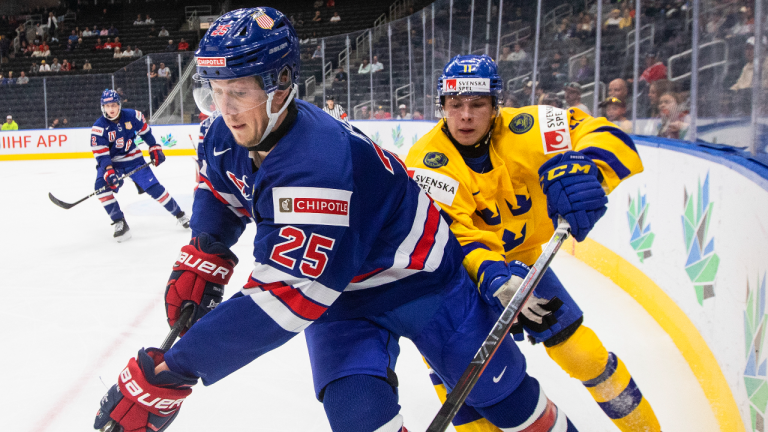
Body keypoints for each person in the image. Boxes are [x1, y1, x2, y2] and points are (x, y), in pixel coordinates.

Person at [92, 9, 579, 432]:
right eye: (215, 92)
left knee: (511, 405)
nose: (226, 111)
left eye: (238, 92)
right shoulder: (223, 132)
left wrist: (175, 369)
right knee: (358, 419)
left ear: (281, 83)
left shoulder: (318, 167)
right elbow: (219, 188)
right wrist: (208, 248)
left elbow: (285, 299)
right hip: (343, 298)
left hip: (425, 282)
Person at [405, 54, 661, 432]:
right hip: (455, 281)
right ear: (442, 106)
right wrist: (493, 277)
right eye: (455, 105)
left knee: (585, 354)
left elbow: (607, 133)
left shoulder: (533, 127)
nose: (465, 116)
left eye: (477, 105)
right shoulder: (428, 162)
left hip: (525, 264)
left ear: (496, 105)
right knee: (463, 387)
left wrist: (589, 168)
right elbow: (453, 238)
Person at [86, 89, 189, 242]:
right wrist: (109, 171)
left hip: (133, 159)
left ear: (119, 105)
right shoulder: (99, 128)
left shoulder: (133, 116)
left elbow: (145, 133)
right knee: (101, 188)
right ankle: (119, 221)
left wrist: (154, 146)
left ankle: (180, 214)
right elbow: (102, 154)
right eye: (107, 106)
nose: (111, 109)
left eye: (114, 105)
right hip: (112, 163)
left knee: (155, 189)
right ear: (103, 107)